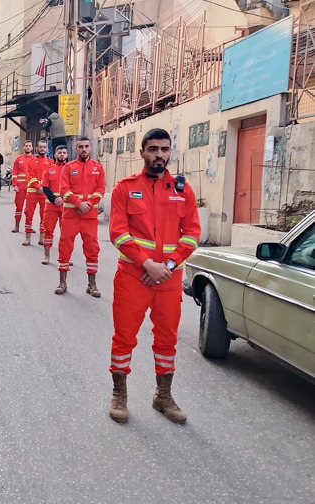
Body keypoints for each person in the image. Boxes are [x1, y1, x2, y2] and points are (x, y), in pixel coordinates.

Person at [107, 128, 201, 424]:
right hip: (133, 277)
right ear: (142, 152)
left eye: (164, 149)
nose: (159, 154)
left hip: (169, 280)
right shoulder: (124, 188)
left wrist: (168, 266)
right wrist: (147, 264)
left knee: (167, 339)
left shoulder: (183, 190)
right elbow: (118, 233)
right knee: (124, 337)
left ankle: (163, 396)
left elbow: (193, 234)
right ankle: (119, 394)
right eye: (153, 149)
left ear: (169, 152)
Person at [55, 136, 106, 297]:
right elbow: (64, 190)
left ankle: (92, 284)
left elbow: (101, 190)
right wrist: (79, 203)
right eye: (80, 147)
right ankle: (62, 282)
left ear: (90, 148)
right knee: (65, 247)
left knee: (92, 249)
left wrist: (88, 204)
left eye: (86, 146)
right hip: (71, 215)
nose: (84, 149)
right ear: (76, 149)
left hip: (89, 217)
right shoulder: (69, 167)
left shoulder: (98, 167)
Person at [41, 145, 68, 265]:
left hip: (66, 206)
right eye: (60, 152)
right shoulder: (49, 169)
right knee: (48, 231)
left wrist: (63, 199)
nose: (62, 154)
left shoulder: (70, 169)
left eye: (64, 153)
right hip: (51, 206)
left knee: (66, 233)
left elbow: (73, 187)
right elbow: (45, 187)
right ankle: (46, 255)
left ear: (67, 155)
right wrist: (54, 199)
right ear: (55, 155)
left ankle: (65, 257)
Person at [23, 140, 52, 246]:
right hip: (32, 192)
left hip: (45, 193)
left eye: (44, 147)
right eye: (40, 147)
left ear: (47, 148)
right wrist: (37, 186)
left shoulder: (50, 162)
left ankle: (42, 236)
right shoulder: (31, 161)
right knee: (28, 214)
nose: (42, 149)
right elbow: (29, 175)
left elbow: (51, 177)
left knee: (44, 216)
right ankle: (28, 237)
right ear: (36, 148)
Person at [11, 140, 33, 232]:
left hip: (31, 188)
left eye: (29, 146)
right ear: (23, 147)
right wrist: (15, 185)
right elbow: (14, 173)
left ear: (32, 148)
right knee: (19, 207)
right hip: (20, 187)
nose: (28, 147)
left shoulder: (34, 159)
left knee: (30, 209)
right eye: (26, 146)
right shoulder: (18, 159)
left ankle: (29, 227)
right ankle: (17, 225)